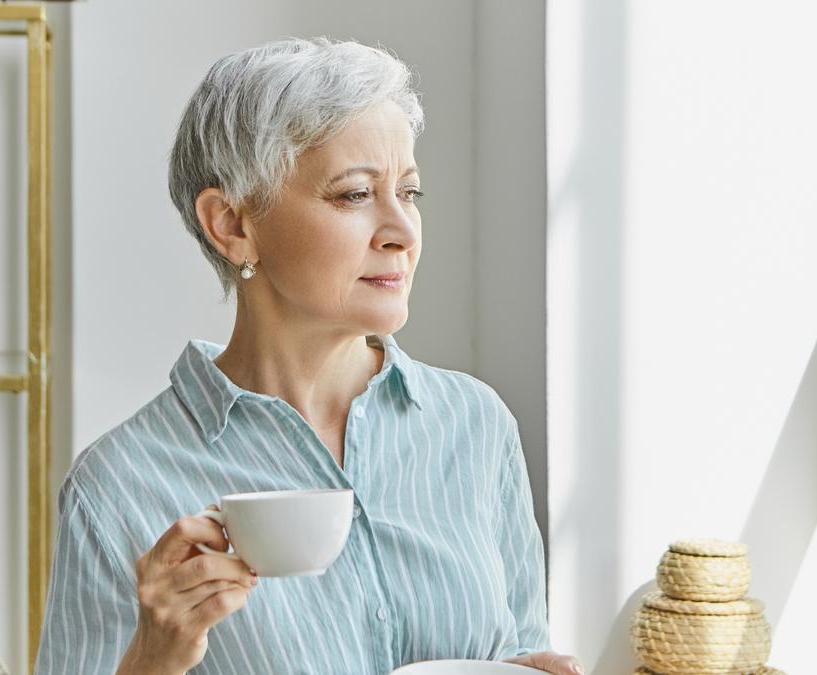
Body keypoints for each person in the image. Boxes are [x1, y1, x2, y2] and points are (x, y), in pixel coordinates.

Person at [34, 36, 580, 675]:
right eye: (354, 194)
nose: (402, 232)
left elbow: (513, 648)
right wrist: (153, 659)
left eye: (409, 193)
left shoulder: (474, 425)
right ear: (233, 225)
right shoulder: (120, 486)